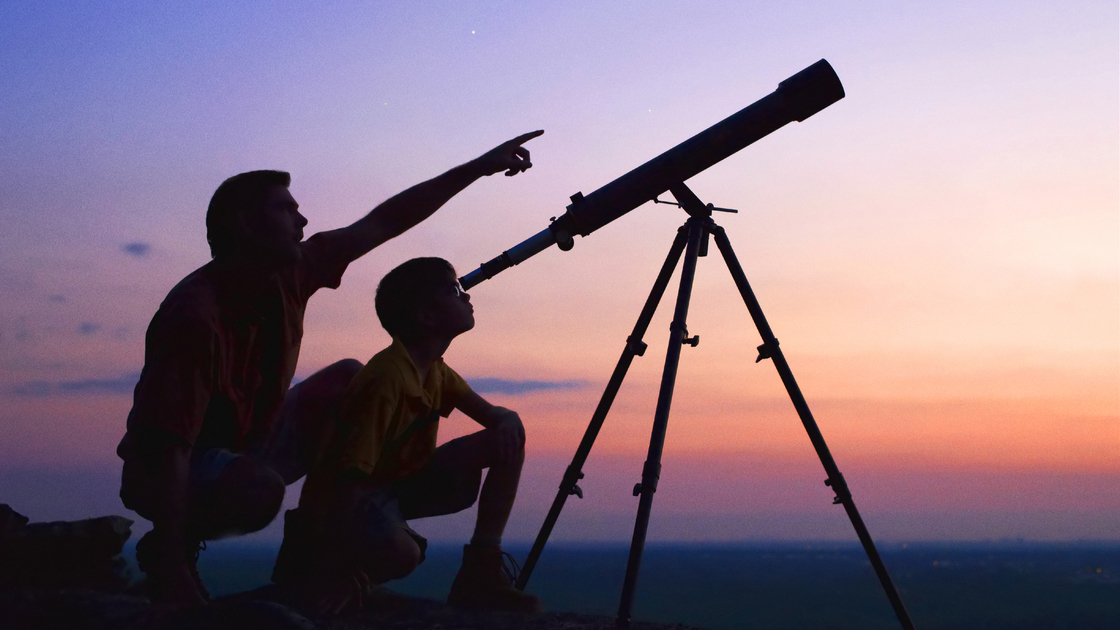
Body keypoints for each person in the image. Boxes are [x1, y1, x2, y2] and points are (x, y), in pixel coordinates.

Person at [116, 131, 543, 608]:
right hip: (175, 466)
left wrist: (478, 167)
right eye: (286, 209)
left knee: (346, 377)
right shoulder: (195, 315)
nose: (302, 219)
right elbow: (169, 449)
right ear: (247, 225)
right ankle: (172, 552)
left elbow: (386, 221)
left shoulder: (294, 272)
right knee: (261, 490)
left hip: (246, 441)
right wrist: (175, 572)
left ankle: (314, 548)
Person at [272, 258, 540, 614]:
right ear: (426, 316)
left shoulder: (436, 372)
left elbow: (496, 418)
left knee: (508, 440)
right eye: (453, 290)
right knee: (404, 554)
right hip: (342, 501)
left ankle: (481, 571)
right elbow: (350, 479)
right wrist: (336, 564)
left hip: (392, 485)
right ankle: (333, 577)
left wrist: (509, 418)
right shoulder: (388, 378)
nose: (466, 295)